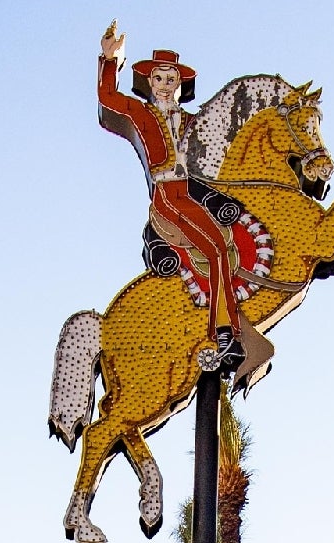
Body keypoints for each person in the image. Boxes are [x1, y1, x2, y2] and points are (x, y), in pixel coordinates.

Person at [97, 22, 251, 374]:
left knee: (224, 246)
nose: (165, 86)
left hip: (193, 192)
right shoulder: (141, 114)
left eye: (171, 80)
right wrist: (109, 61)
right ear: (149, 84)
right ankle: (224, 333)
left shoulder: (193, 121)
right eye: (159, 79)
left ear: (181, 86)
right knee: (214, 250)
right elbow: (108, 100)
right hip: (168, 195)